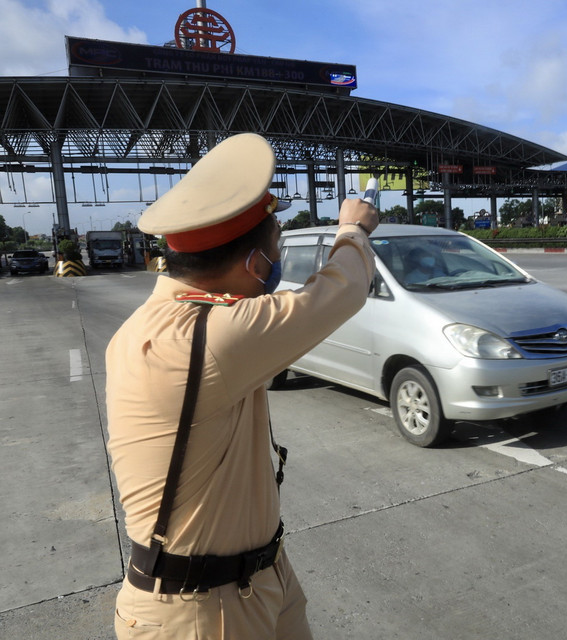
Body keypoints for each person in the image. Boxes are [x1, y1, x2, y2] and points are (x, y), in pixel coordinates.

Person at [105, 133, 378, 639]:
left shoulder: (154, 324)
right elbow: (342, 290)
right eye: (277, 245)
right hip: (198, 611)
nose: (280, 258)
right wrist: (353, 229)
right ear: (254, 262)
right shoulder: (208, 336)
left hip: (258, 576)